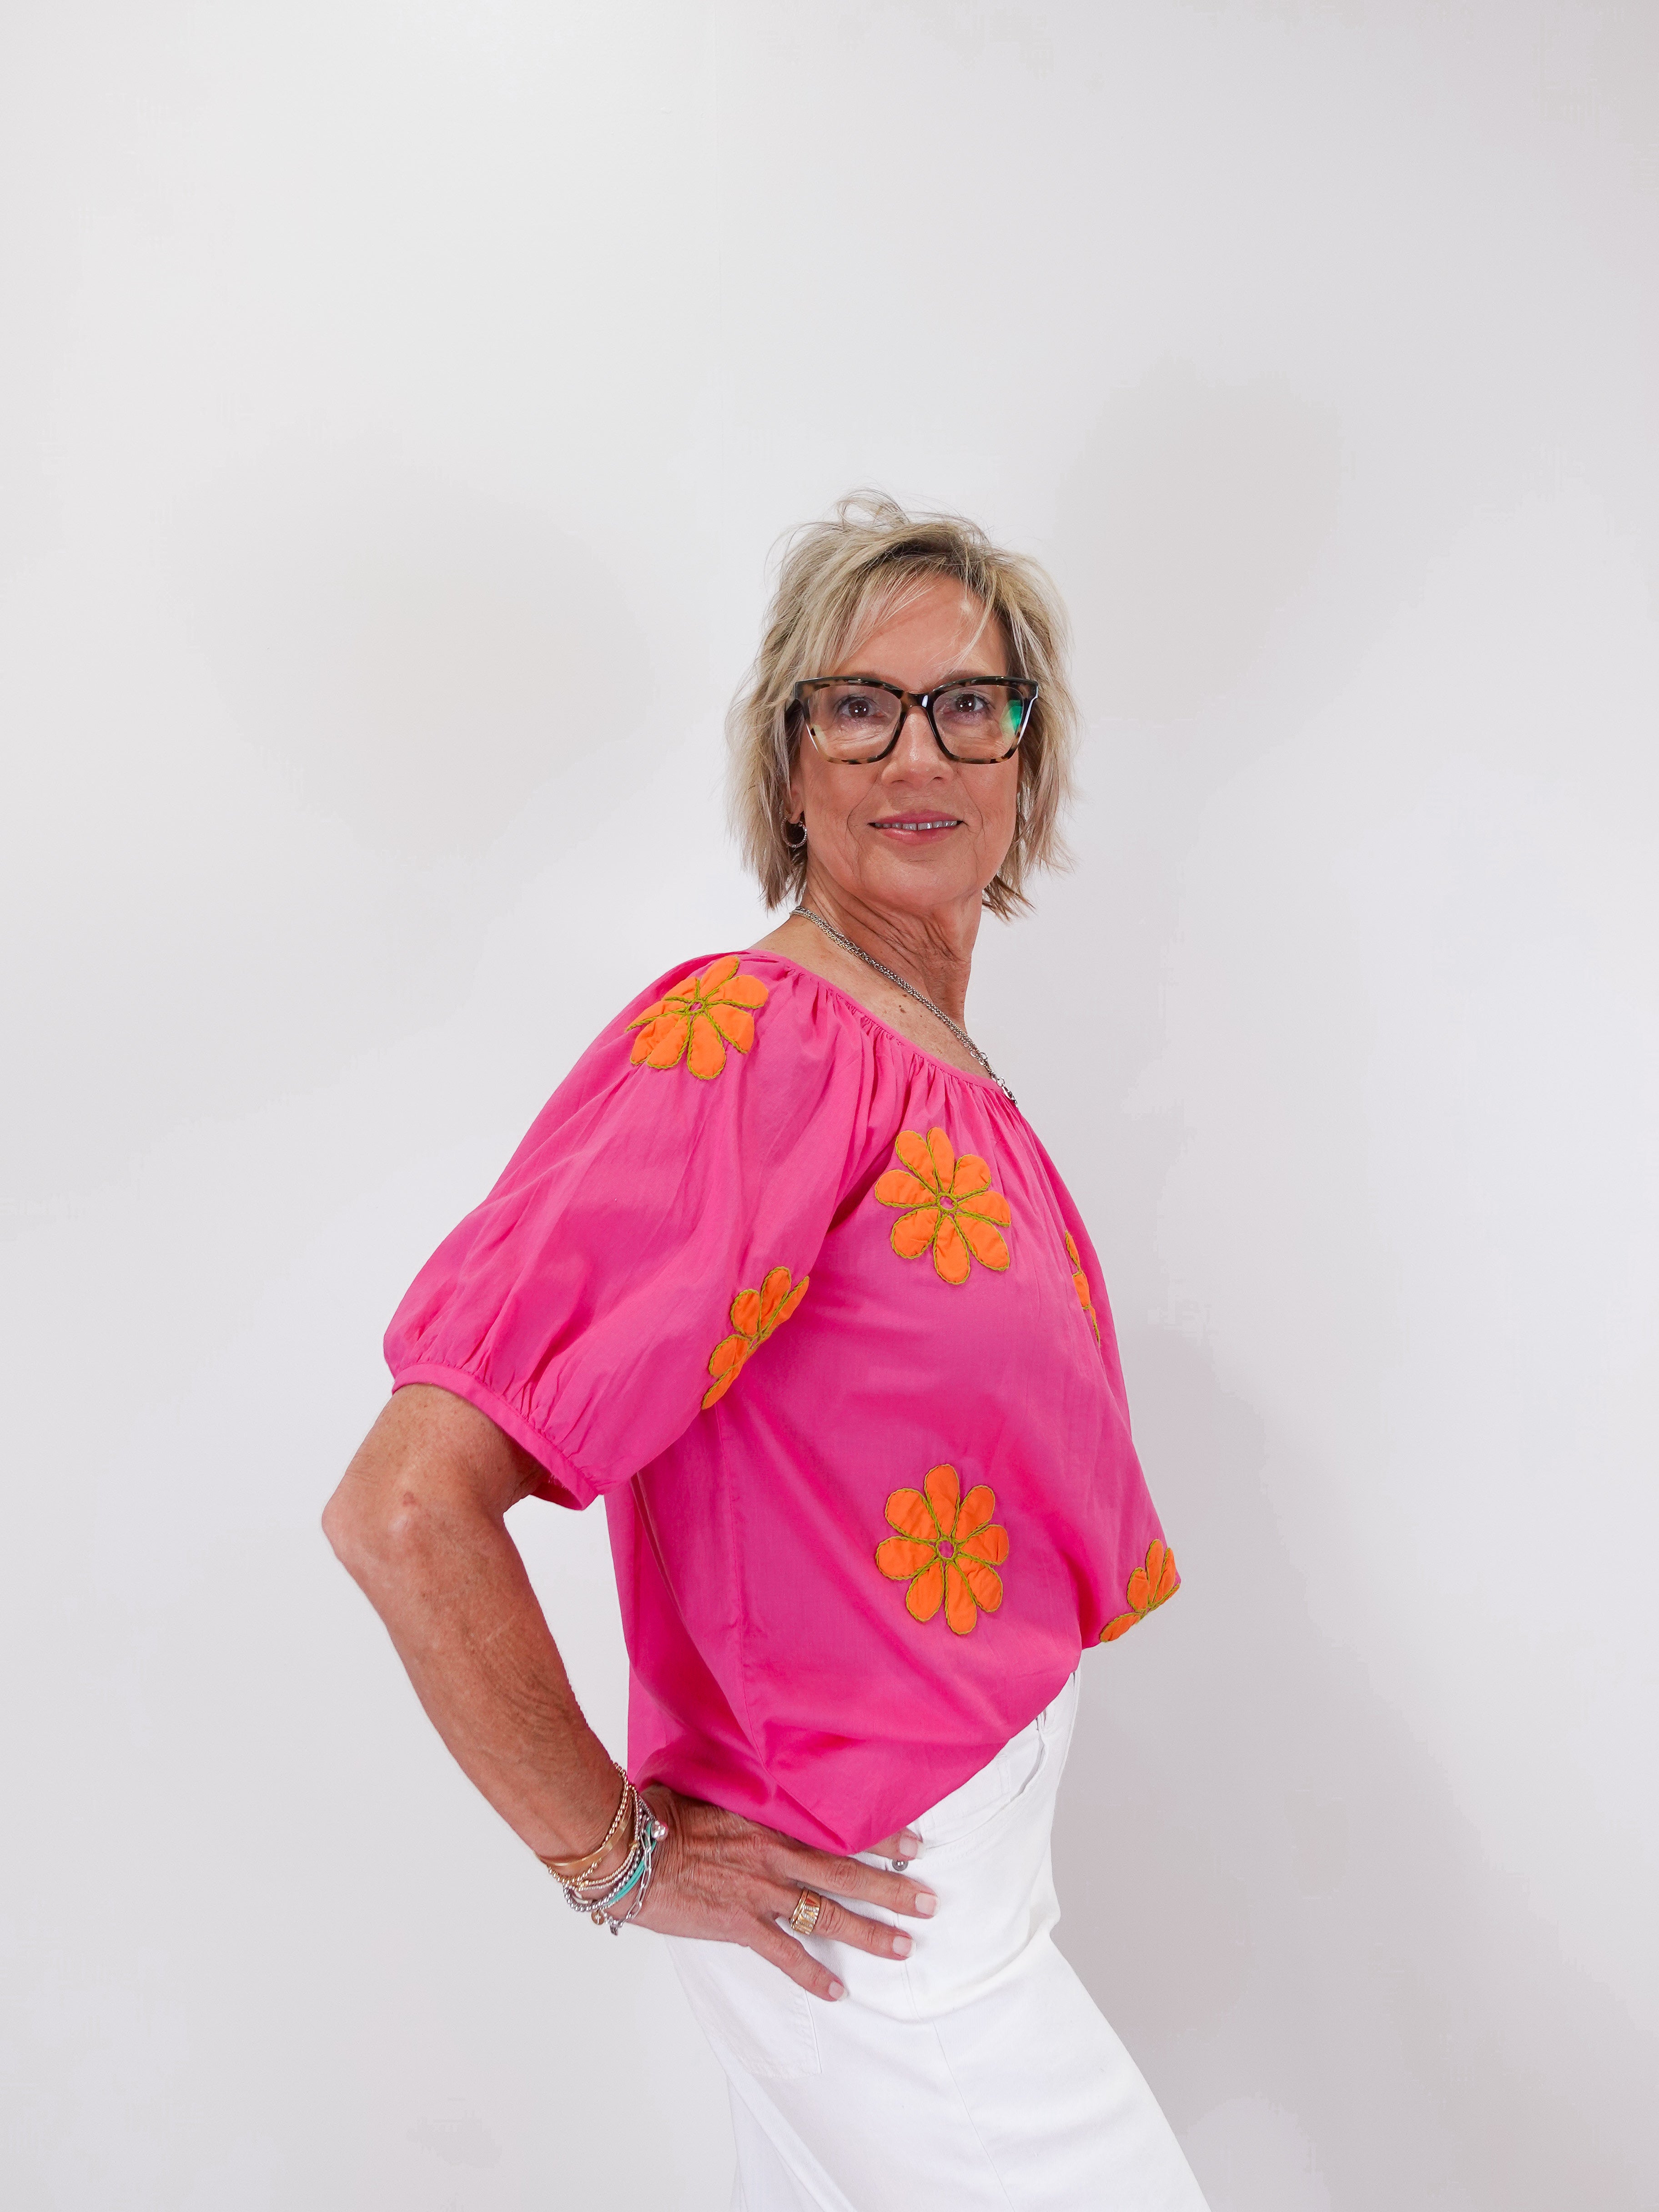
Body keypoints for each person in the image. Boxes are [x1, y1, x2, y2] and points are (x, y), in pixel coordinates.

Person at [323, 493, 1207, 2208]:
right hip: (878, 1923)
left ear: (1028, 760)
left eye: (973, 703)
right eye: (855, 706)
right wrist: (614, 1858)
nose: (916, 752)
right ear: (786, 765)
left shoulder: (929, 1062)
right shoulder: (752, 1052)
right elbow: (407, 1509)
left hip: (922, 1893)